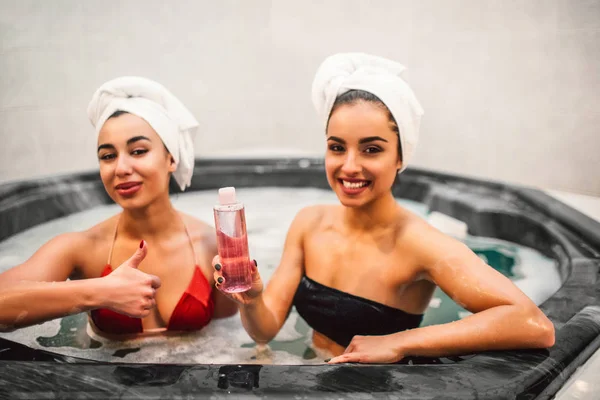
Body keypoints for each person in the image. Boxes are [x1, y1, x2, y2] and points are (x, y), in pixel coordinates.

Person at [213, 53, 555, 364]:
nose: (349, 166)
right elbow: (264, 332)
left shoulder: (419, 243)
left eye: (371, 149)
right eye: (336, 147)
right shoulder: (309, 223)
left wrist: (400, 342)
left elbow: (534, 325)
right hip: (312, 370)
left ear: (401, 156)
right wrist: (254, 299)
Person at [0, 76, 236, 337]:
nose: (122, 169)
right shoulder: (83, 248)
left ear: (171, 158)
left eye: (138, 151)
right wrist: (100, 291)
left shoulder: (210, 244)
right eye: (108, 156)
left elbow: (228, 335)